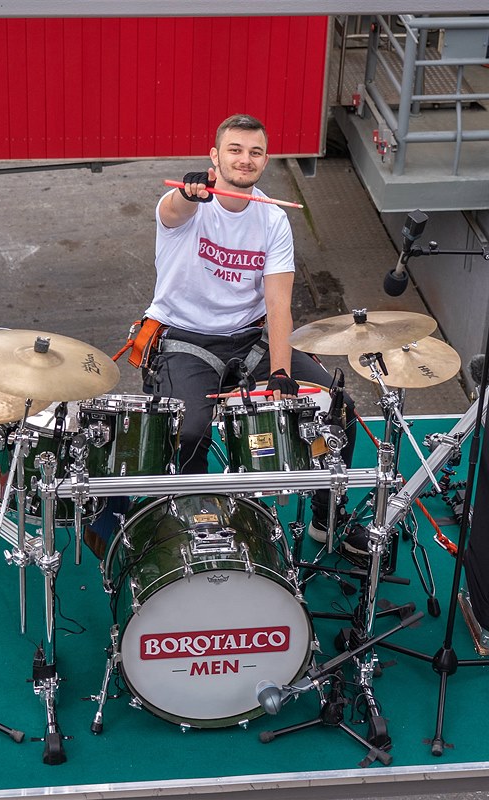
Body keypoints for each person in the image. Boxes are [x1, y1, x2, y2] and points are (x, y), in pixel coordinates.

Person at [139, 113, 358, 546]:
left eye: (254, 152)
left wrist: (281, 373)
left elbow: (278, 305)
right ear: (214, 157)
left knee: (341, 413)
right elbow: (172, 209)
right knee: (189, 430)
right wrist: (187, 192)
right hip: (185, 339)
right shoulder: (190, 206)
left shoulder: (273, 220)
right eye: (234, 150)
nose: (245, 159)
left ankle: (324, 515)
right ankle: (191, 524)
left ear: (265, 160)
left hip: (249, 339)